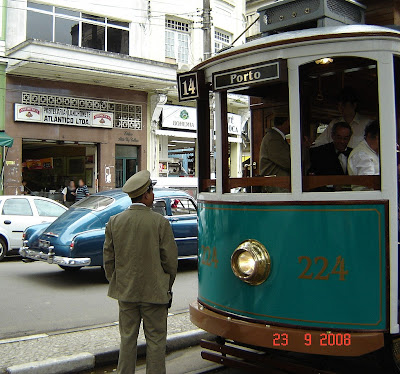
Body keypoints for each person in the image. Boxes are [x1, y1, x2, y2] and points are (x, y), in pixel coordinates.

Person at [103, 170, 178, 374]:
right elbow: (170, 262)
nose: (153, 196)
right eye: (152, 192)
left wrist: (119, 282)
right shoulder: (160, 223)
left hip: (126, 293)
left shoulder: (114, 222)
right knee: (155, 342)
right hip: (155, 294)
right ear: (146, 195)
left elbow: (109, 260)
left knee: (127, 339)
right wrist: (166, 286)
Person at [348, 121, 380, 191]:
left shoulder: (374, 152)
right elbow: (368, 182)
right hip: (367, 199)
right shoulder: (361, 154)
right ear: (376, 137)